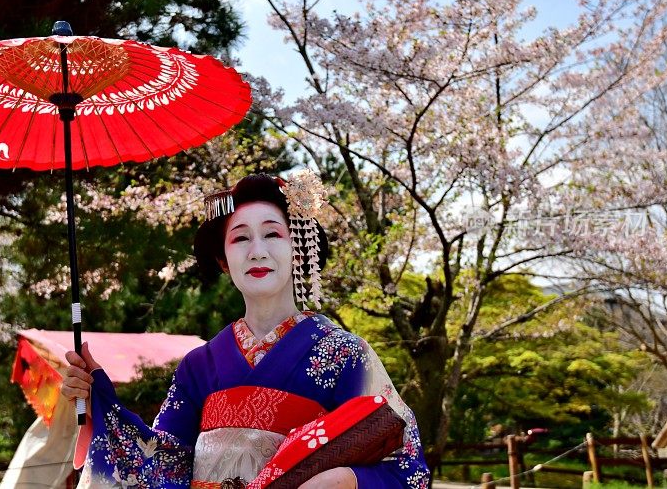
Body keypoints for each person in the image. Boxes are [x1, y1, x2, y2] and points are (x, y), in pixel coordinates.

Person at [62, 172, 430, 488]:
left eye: (272, 235)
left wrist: (348, 480)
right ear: (224, 260)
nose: (257, 251)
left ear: (298, 251)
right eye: (240, 238)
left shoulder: (345, 355)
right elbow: (163, 466)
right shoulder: (198, 366)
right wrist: (101, 403)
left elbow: (408, 469)